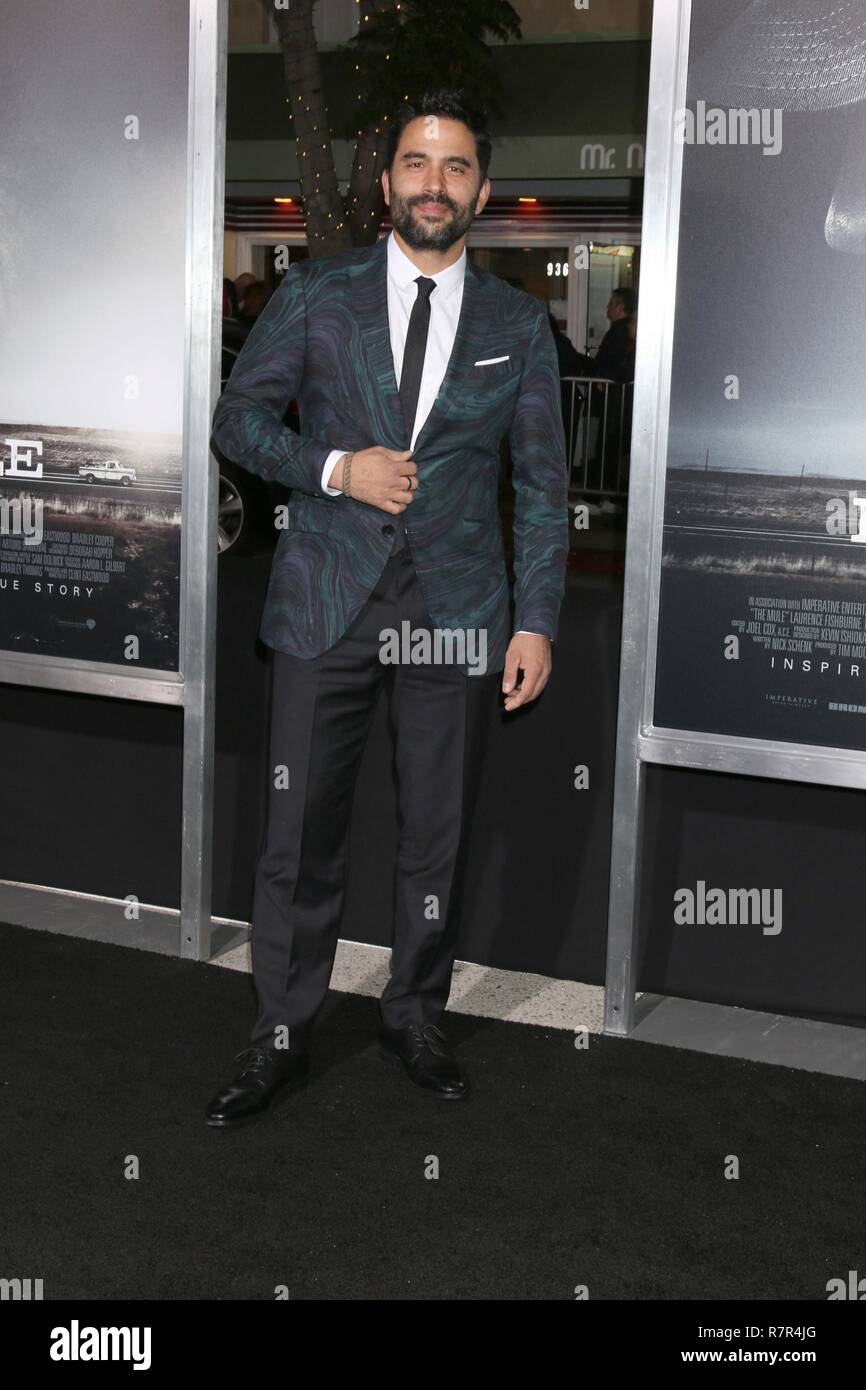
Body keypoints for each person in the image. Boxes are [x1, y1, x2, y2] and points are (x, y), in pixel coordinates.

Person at [206, 89, 569, 1127]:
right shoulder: (317, 294)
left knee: (434, 835)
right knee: (296, 832)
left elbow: (542, 486)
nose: (432, 183)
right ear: (386, 183)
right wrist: (332, 469)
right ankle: (279, 1034)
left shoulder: (515, 323)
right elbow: (237, 418)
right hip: (326, 595)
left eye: (455, 168)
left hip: (456, 606)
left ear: (481, 192)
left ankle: (413, 1017)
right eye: (416, 163)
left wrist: (535, 620)